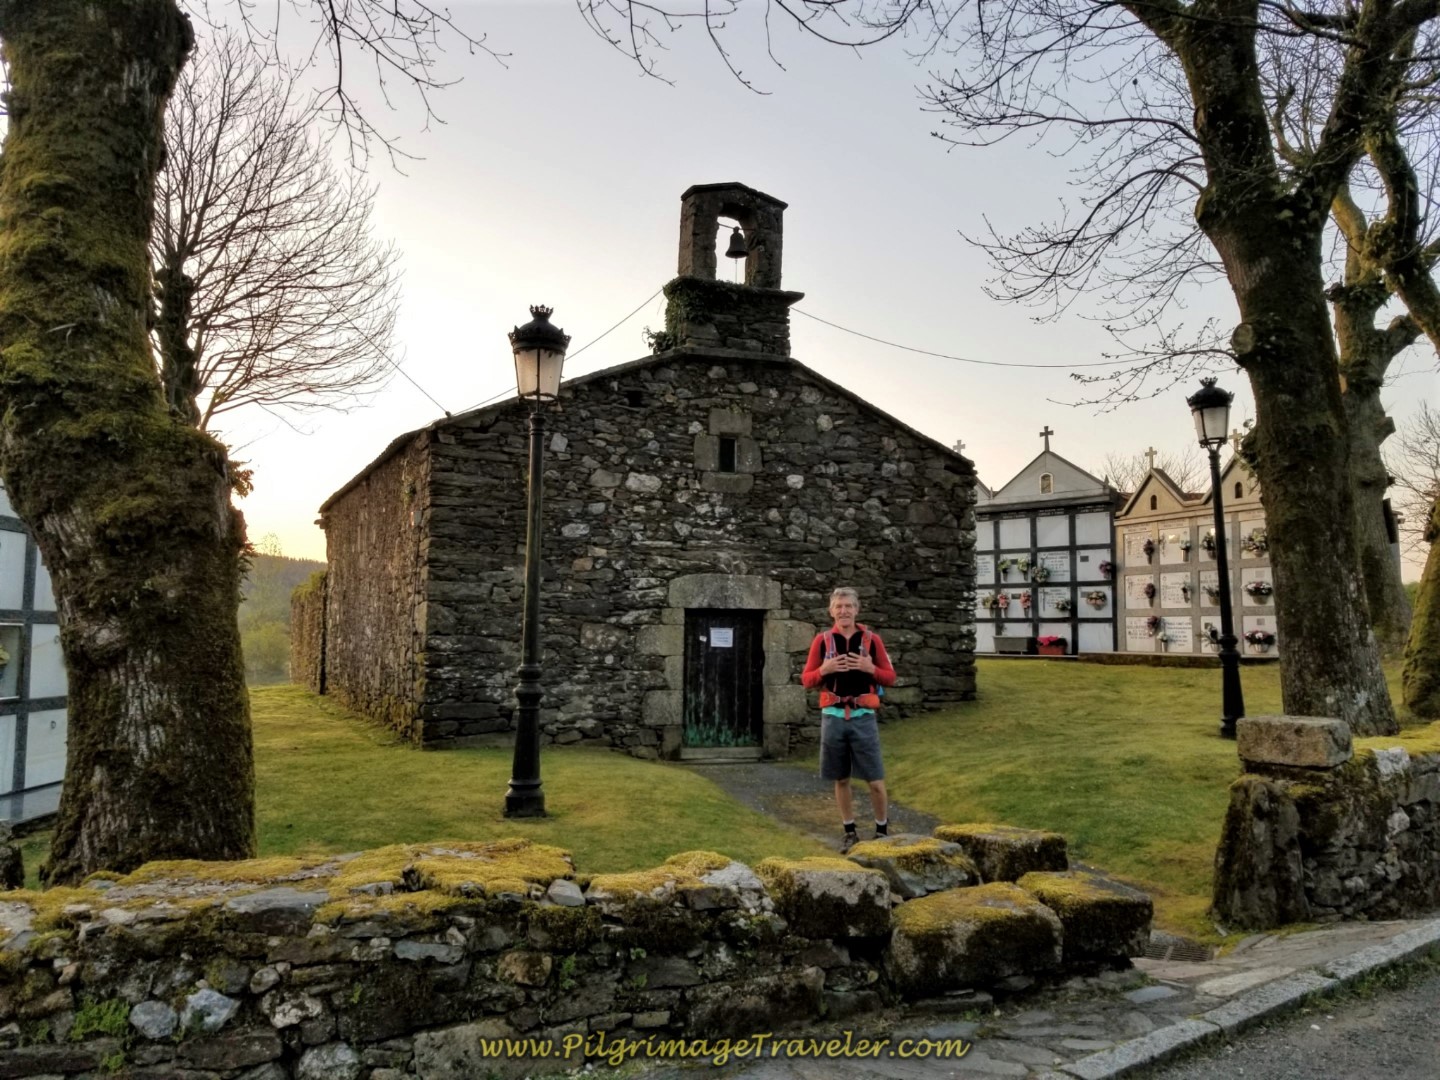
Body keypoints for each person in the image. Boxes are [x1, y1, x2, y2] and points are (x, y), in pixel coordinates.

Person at [801, 587, 897, 852]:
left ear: (857, 609)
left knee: (875, 780)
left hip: (863, 717)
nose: (843, 611)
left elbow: (890, 677)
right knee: (841, 779)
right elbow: (806, 680)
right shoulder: (821, 641)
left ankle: (881, 832)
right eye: (839, 606)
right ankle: (849, 831)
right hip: (832, 717)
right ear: (831, 611)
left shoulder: (871, 640)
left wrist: (870, 668)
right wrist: (824, 669)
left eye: (848, 606)